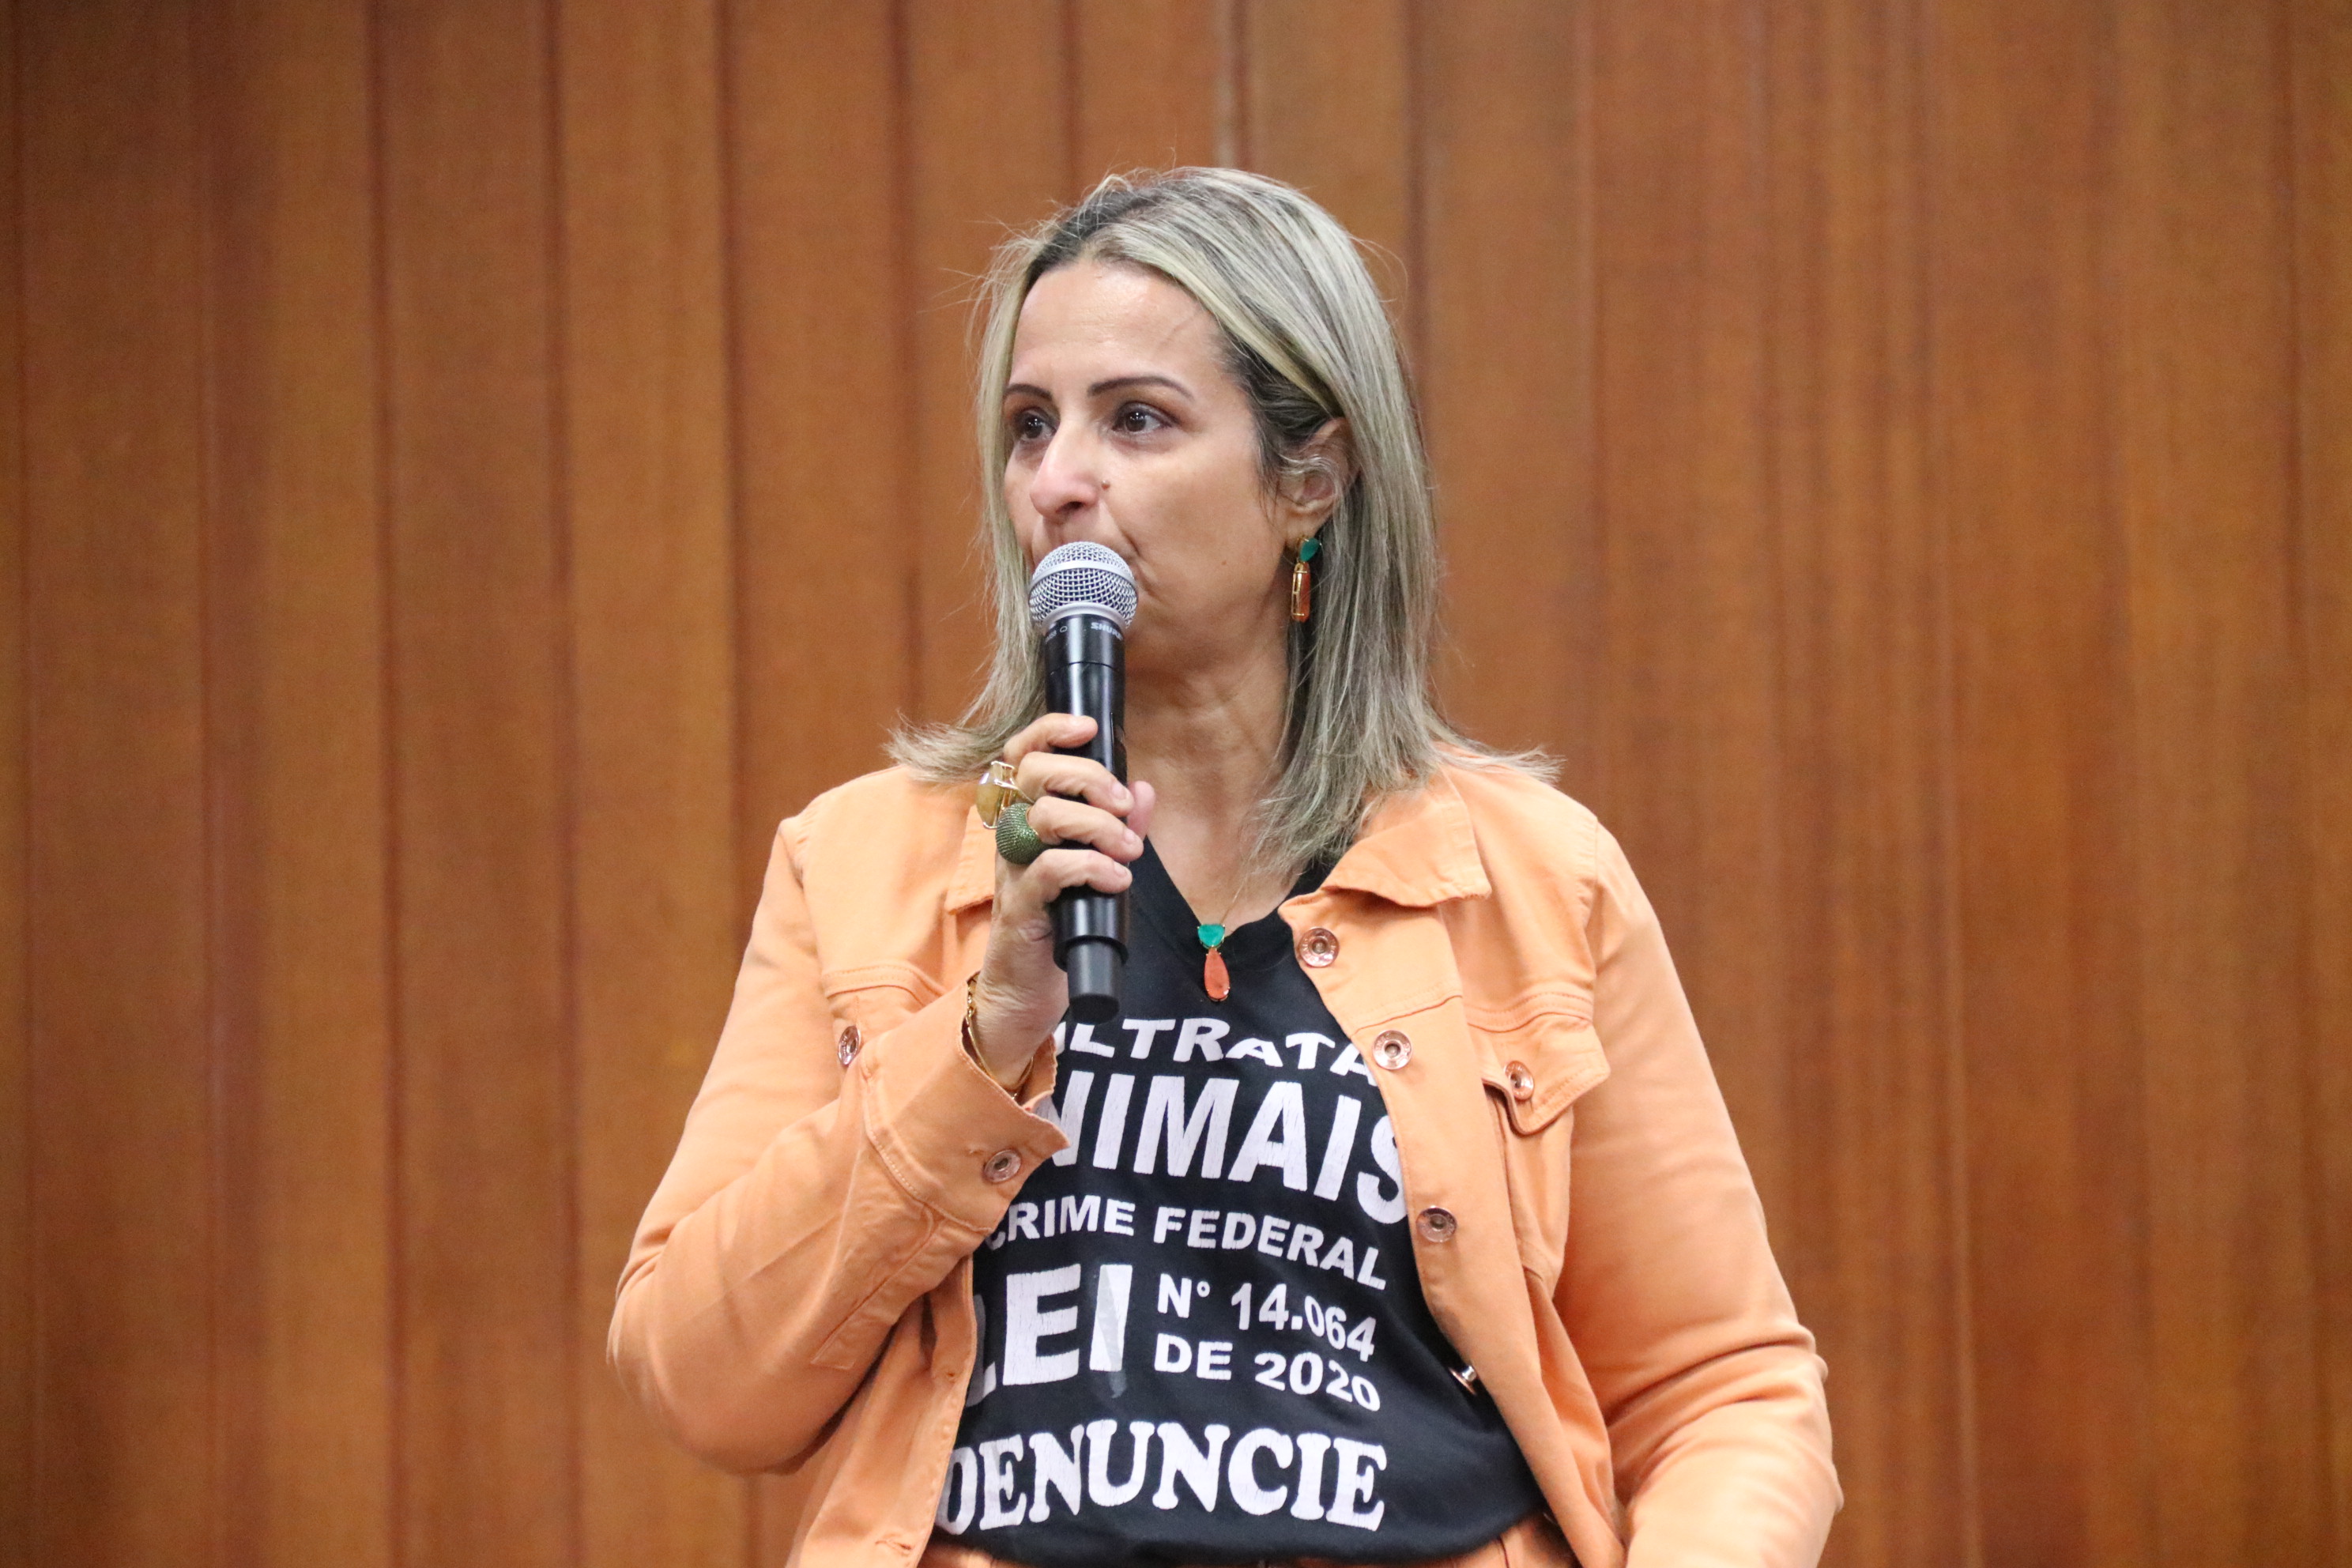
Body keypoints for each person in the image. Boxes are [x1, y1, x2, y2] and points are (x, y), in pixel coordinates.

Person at [611, 168, 1838, 1568]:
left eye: (1137, 419)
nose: (1057, 481)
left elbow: (1724, 1390)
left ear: (1310, 479)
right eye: (1030, 425)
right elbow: (701, 1381)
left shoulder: (1532, 879)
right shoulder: (861, 864)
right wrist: (983, 1036)